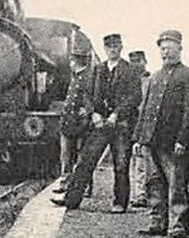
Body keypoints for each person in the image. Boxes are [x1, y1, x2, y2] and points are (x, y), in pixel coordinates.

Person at [56, 33, 141, 211]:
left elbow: (135, 97)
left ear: (121, 48)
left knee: (121, 164)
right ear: (105, 49)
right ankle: (71, 199)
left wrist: (117, 114)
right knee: (86, 160)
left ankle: (119, 203)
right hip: (100, 123)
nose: (112, 50)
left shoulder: (130, 70)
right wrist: (93, 112)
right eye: (109, 47)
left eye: (116, 46)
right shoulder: (98, 70)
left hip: (121, 125)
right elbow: (86, 95)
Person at [133, 29, 189, 238]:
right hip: (152, 140)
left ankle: (179, 224)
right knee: (154, 183)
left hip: (173, 142)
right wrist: (139, 138)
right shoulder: (155, 77)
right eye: (163, 49)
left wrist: (183, 140)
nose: (166, 53)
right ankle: (157, 222)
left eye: (170, 48)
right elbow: (145, 109)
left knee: (177, 183)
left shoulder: (188, 76)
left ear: (180, 49)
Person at [55, 32, 95, 190]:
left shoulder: (88, 77)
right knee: (65, 155)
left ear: (75, 61)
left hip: (81, 123)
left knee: (82, 155)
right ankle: (65, 183)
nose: (70, 63)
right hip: (68, 121)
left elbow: (93, 97)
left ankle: (84, 186)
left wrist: (88, 110)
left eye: (72, 60)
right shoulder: (74, 77)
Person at [128, 50, 152, 207]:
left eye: (139, 61)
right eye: (133, 62)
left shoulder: (150, 82)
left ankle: (141, 194)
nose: (136, 64)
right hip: (130, 125)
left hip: (144, 125)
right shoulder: (129, 81)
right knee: (134, 160)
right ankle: (139, 193)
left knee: (141, 160)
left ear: (144, 62)